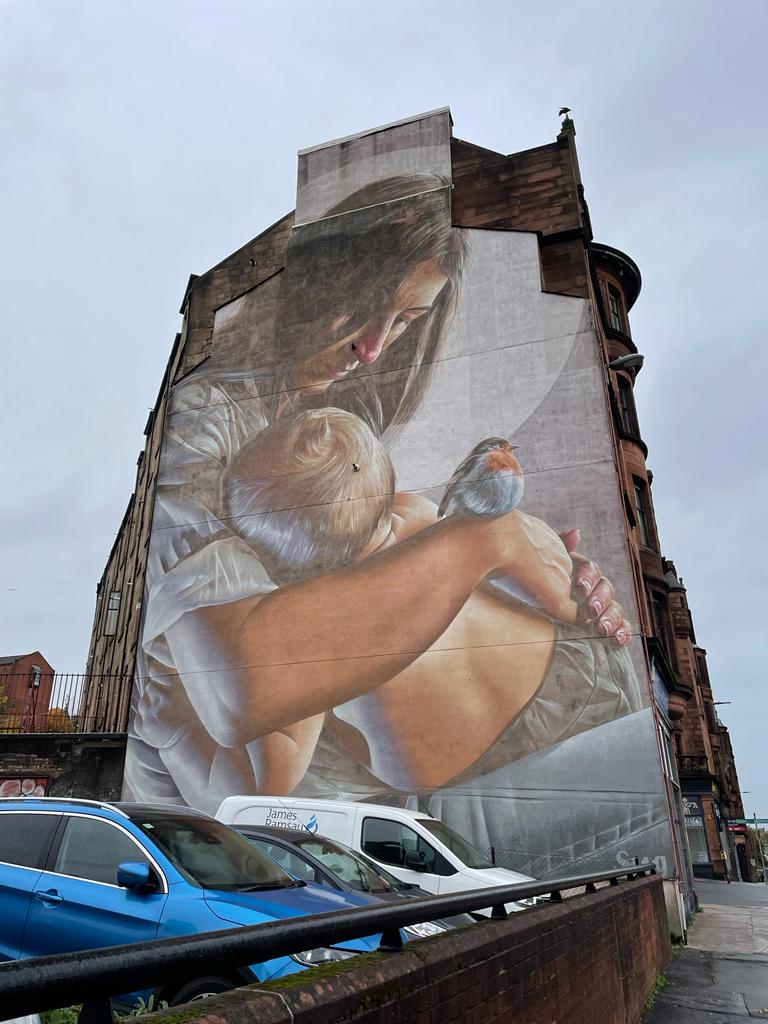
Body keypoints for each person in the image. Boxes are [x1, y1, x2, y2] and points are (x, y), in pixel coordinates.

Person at [124, 175, 636, 814]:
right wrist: (483, 541)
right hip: (453, 775)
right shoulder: (207, 420)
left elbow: (408, 589)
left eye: (403, 322)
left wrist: (545, 573)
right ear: (316, 280)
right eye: (364, 310)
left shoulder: (343, 423)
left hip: (559, 709)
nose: (372, 349)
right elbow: (240, 688)